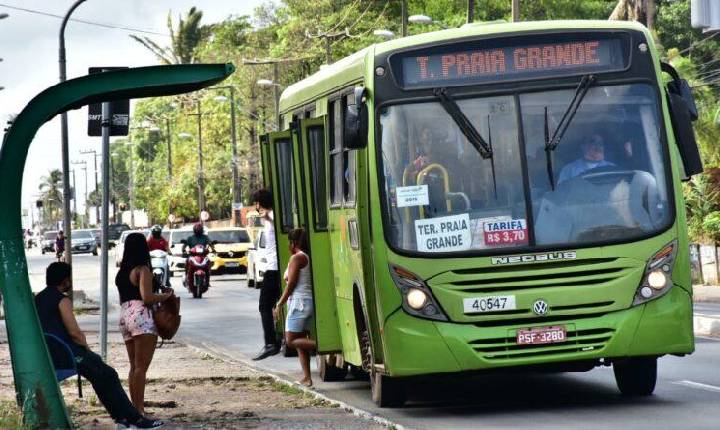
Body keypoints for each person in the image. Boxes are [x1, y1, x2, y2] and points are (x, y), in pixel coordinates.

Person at [35, 262, 164, 429]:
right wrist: (87, 350)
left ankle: (123, 419)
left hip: (48, 352)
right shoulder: (62, 300)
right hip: (66, 354)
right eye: (69, 279)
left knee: (101, 375)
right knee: (108, 374)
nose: (70, 282)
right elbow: (75, 333)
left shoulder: (38, 298)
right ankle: (135, 419)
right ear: (64, 280)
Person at [115, 233, 174, 417]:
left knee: (133, 367)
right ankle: (139, 411)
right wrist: (166, 296)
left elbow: (122, 299)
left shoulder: (122, 272)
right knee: (141, 367)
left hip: (125, 315)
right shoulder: (143, 270)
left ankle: (134, 408)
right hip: (141, 316)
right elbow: (147, 297)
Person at [273, 229, 316, 387]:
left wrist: (279, 304)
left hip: (299, 303)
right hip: (303, 302)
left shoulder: (297, 258)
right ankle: (307, 377)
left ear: (293, 242)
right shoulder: (305, 256)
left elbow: (291, 284)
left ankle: (322, 347)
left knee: (290, 341)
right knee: (300, 343)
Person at [251, 189, 281, 361]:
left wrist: (268, 218)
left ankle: (270, 343)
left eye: (257, 202)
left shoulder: (274, 216)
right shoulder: (269, 217)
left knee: (264, 305)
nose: (256, 206)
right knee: (272, 306)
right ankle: (276, 339)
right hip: (272, 266)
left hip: (274, 268)